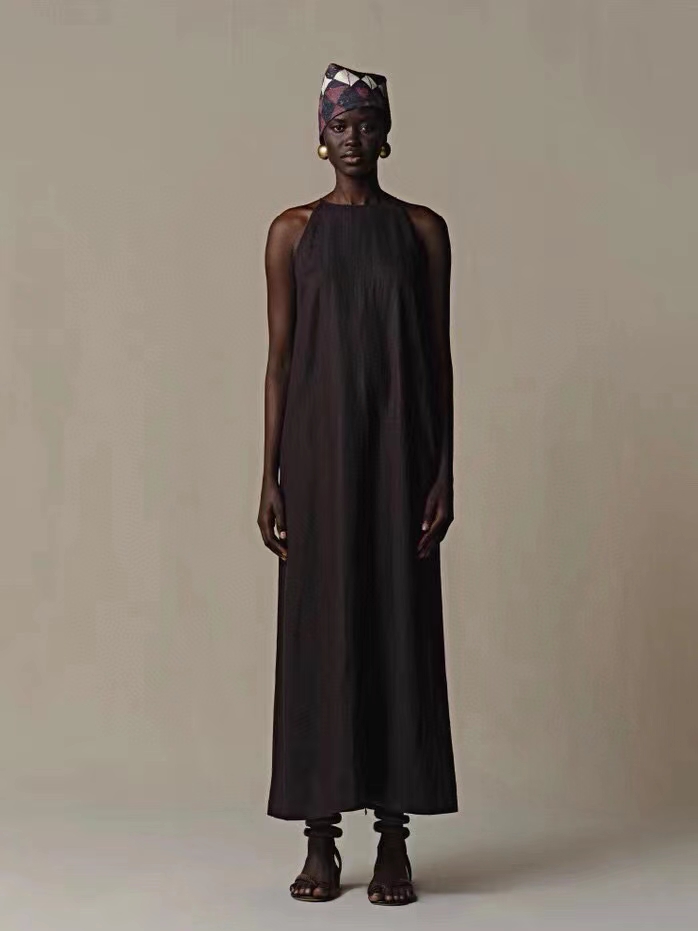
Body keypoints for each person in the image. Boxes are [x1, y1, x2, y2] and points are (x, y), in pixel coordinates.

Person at [258, 62, 458, 906]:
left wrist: (445, 468)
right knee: (320, 632)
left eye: (367, 123)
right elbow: (278, 361)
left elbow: (439, 357)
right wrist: (268, 473)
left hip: (401, 455)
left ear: (387, 132)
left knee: (397, 627)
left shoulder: (421, 231)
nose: (354, 139)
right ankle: (319, 838)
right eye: (340, 125)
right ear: (320, 134)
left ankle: (395, 839)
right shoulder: (292, 233)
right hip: (316, 459)